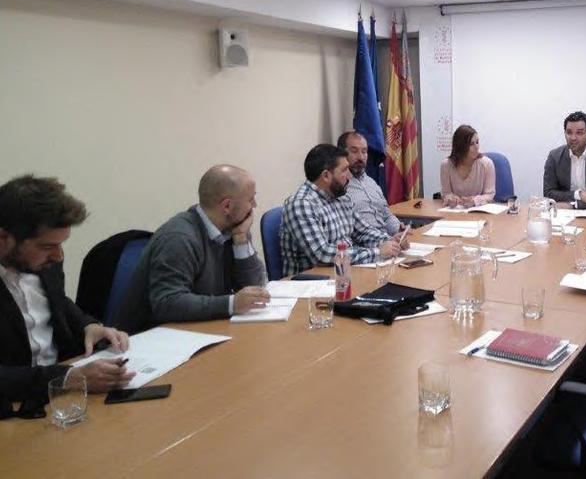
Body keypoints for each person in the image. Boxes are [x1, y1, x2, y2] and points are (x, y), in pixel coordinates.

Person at [1, 175, 134, 418]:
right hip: (15, 409)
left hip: (64, 402)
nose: (59, 256)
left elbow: (57, 301)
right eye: (47, 246)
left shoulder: (46, 263)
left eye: (61, 245)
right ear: (3, 239)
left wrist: (88, 325)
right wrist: (69, 377)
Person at [115, 165, 268, 334]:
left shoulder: (233, 229)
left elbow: (254, 288)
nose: (254, 205)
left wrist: (241, 239)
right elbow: (167, 302)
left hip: (198, 330)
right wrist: (231, 304)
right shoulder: (179, 238)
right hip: (154, 340)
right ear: (227, 206)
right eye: (250, 199)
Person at [281, 144, 408, 276]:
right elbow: (322, 254)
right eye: (344, 170)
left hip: (344, 274)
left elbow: (363, 231)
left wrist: (390, 241)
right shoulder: (302, 205)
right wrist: (377, 252)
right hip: (312, 284)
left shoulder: (341, 197)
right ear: (326, 176)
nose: (348, 176)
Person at [339, 130, 402, 235]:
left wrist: (399, 229)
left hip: (387, 242)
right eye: (354, 151)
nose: (360, 157)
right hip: (366, 246)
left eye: (364, 152)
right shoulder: (339, 187)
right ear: (341, 154)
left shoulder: (372, 183)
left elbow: (387, 216)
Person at [440, 125, 496, 207]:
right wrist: (451, 198)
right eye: (471, 144)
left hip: (479, 212)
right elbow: (446, 193)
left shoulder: (487, 164)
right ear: (460, 146)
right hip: (455, 212)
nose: (476, 147)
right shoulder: (446, 165)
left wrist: (474, 201)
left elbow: (489, 195)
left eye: (477, 142)